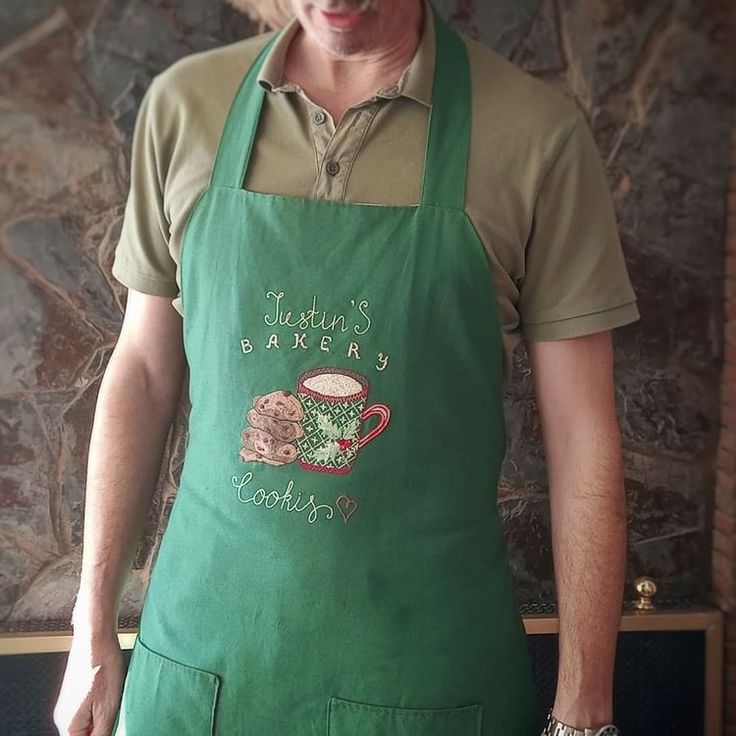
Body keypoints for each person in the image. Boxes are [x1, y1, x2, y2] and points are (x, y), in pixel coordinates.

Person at [53, 1, 639, 735]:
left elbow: (584, 436)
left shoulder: (535, 136)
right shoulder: (184, 105)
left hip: (427, 683)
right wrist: (93, 627)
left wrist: (585, 712)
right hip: (198, 672)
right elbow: (141, 370)